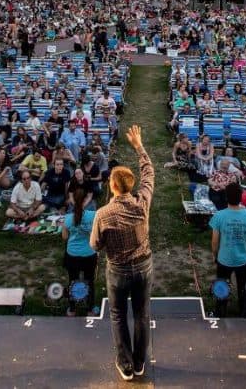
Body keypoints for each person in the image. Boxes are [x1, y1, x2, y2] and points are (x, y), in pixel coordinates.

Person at [89, 125, 154, 382]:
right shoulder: (142, 203)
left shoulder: (103, 214)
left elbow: (95, 245)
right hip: (143, 266)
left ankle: (125, 365)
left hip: (117, 269)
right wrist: (139, 146)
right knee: (141, 314)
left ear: (113, 186)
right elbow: (149, 173)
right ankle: (139, 363)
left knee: (118, 316)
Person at [209, 182, 246, 317]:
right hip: (243, 259)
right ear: (241, 197)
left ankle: (220, 311)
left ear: (226, 197)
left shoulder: (219, 216)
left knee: (221, 286)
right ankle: (245, 311)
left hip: (224, 259)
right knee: (243, 286)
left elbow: (214, 241)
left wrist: (215, 254)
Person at [61, 187, 99, 316]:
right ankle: (90, 309)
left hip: (72, 255)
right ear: (85, 201)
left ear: (73, 201)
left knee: (73, 281)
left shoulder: (67, 218)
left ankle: (72, 309)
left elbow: (65, 237)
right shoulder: (93, 216)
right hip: (89, 254)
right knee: (90, 281)